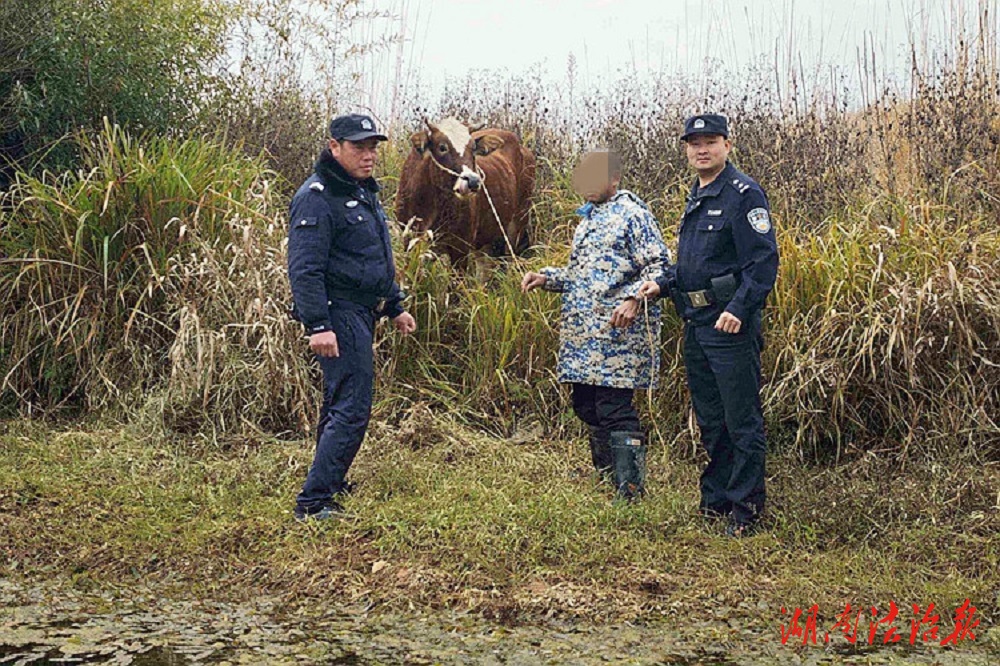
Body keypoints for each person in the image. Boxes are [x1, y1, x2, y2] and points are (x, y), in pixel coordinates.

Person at [638, 114, 779, 537]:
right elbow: (693, 265)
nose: (702, 149)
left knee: (741, 420)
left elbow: (762, 262)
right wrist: (661, 284)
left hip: (729, 325)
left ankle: (746, 510)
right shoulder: (697, 194)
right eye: (694, 143)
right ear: (686, 149)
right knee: (712, 419)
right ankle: (715, 500)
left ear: (727, 146)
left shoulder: (743, 194)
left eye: (711, 142)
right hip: (697, 322)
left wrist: (739, 308)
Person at [287, 113, 417, 521]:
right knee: (353, 406)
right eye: (359, 146)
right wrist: (318, 326)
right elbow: (305, 268)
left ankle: (331, 481)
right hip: (337, 313)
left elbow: (375, 256)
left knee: (339, 401)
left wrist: (394, 305)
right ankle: (315, 501)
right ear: (334, 147)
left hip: (363, 310)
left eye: (373, 147)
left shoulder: (361, 192)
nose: (369, 155)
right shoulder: (317, 196)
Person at [522, 149, 669, 499]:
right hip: (584, 338)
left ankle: (630, 490)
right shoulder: (588, 218)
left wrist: (634, 299)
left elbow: (660, 267)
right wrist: (546, 277)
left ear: (614, 179)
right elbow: (584, 276)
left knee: (614, 408)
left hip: (618, 337)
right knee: (585, 406)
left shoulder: (633, 216)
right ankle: (606, 478)